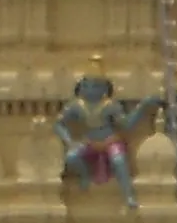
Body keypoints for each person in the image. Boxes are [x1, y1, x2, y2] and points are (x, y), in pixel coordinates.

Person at [53, 63, 160, 209]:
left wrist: (142, 107)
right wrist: (69, 141)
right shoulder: (76, 106)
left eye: (96, 85)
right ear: (81, 87)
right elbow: (59, 124)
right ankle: (85, 176)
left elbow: (126, 124)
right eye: (87, 85)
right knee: (71, 158)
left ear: (105, 89)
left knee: (119, 160)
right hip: (89, 142)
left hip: (110, 140)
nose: (91, 89)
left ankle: (128, 195)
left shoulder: (110, 106)